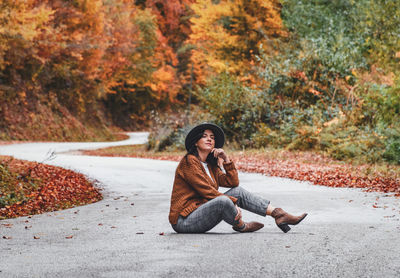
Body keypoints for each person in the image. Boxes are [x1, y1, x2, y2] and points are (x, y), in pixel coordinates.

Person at [169, 123, 307, 233]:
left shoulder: (210, 165)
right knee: (223, 201)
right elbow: (207, 191)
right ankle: (241, 226)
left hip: (200, 211)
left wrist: (226, 159)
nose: (209, 139)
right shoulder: (189, 161)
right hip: (184, 220)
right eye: (204, 136)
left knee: (237, 191)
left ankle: (278, 214)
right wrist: (233, 203)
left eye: (212, 137)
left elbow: (232, 182)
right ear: (195, 142)